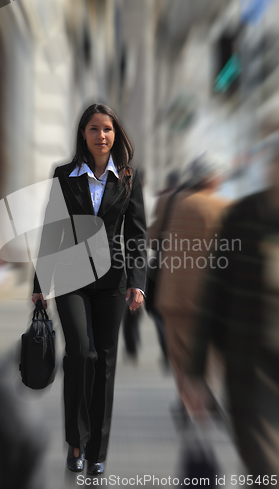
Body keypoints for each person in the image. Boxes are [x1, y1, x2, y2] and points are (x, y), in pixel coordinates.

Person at [32, 103, 147, 475]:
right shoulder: (63, 175)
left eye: (108, 129)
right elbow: (52, 229)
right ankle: (76, 442)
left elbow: (137, 235)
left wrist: (138, 283)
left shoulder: (129, 177)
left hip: (113, 282)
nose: (102, 135)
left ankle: (97, 450)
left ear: (116, 135)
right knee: (82, 354)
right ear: (83, 133)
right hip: (70, 278)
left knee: (106, 365)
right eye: (94, 128)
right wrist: (39, 283)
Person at [184, 144, 279, 483]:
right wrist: (197, 373)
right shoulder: (242, 216)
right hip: (249, 367)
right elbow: (214, 294)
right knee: (263, 465)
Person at [154, 153, 228, 407]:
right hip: (210, 297)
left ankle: (187, 401)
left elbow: (152, 239)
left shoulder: (168, 200)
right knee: (212, 352)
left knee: (179, 352)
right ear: (214, 178)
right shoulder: (223, 207)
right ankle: (207, 397)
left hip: (172, 293)